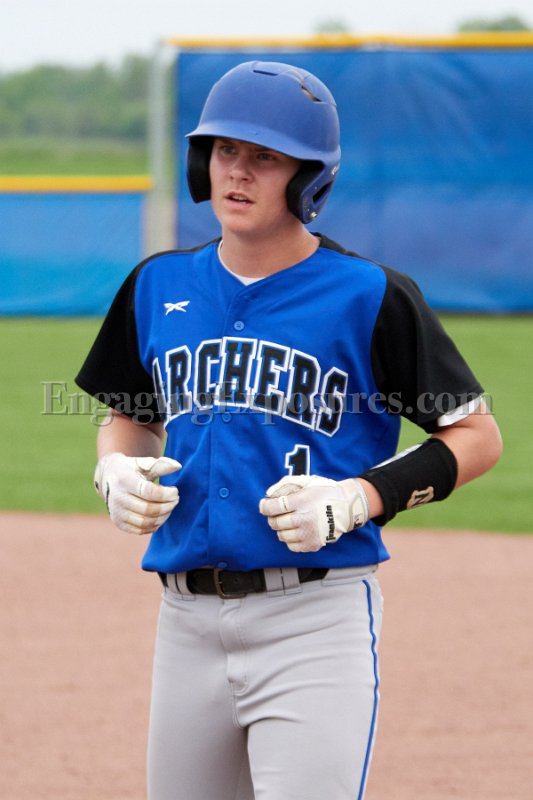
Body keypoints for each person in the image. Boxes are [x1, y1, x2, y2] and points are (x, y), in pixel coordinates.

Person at [75, 61, 502, 800]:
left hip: (314, 619)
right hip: (184, 620)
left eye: (265, 157)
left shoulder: (369, 295)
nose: (238, 172)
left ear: (308, 177)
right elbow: (130, 420)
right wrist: (116, 467)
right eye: (225, 150)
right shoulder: (156, 284)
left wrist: (359, 498)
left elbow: (476, 437)